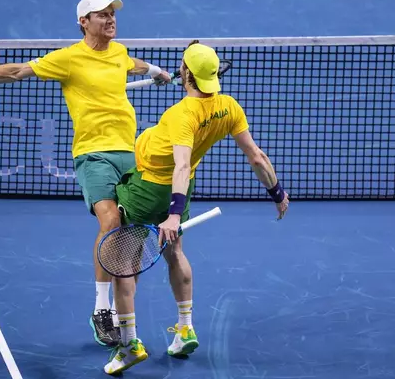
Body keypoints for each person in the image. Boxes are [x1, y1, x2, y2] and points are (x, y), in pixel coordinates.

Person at [0, 0, 171, 347]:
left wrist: (156, 72)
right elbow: (17, 72)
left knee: (132, 233)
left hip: (130, 152)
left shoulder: (119, 52)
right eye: (102, 15)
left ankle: (125, 315)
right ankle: (101, 310)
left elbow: (132, 64)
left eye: (112, 14)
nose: (110, 19)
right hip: (94, 155)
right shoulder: (67, 59)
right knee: (109, 221)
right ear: (83, 22)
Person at [102, 40, 290, 375]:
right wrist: (276, 192)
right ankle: (185, 328)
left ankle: (129, 344)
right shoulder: (229, 106)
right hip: (181, 191)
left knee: (123, 265)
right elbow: (257, 157)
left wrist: (172, 215)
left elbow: (182, 165)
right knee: (175, 253)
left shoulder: (181, 115)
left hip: (148, 189)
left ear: (186, 73)